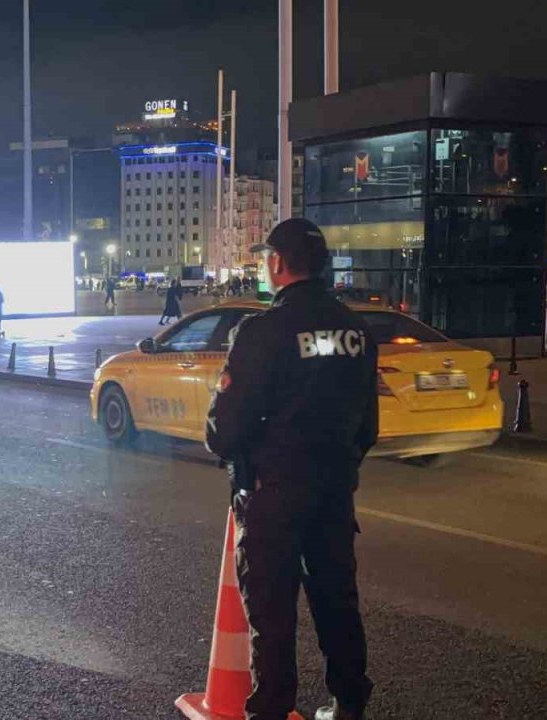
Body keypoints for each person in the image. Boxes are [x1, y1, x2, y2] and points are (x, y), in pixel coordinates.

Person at [205, 218, 377, 720]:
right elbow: (367, 426)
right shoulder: (357, 331)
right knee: (336, 599)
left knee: (272, 611)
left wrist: (229, 446)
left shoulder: (263, 331)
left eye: (265, 259)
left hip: (274, 491)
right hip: (333, 490)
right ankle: (349, 702)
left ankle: (272, 710)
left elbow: (227, 426)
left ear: (277, 265)